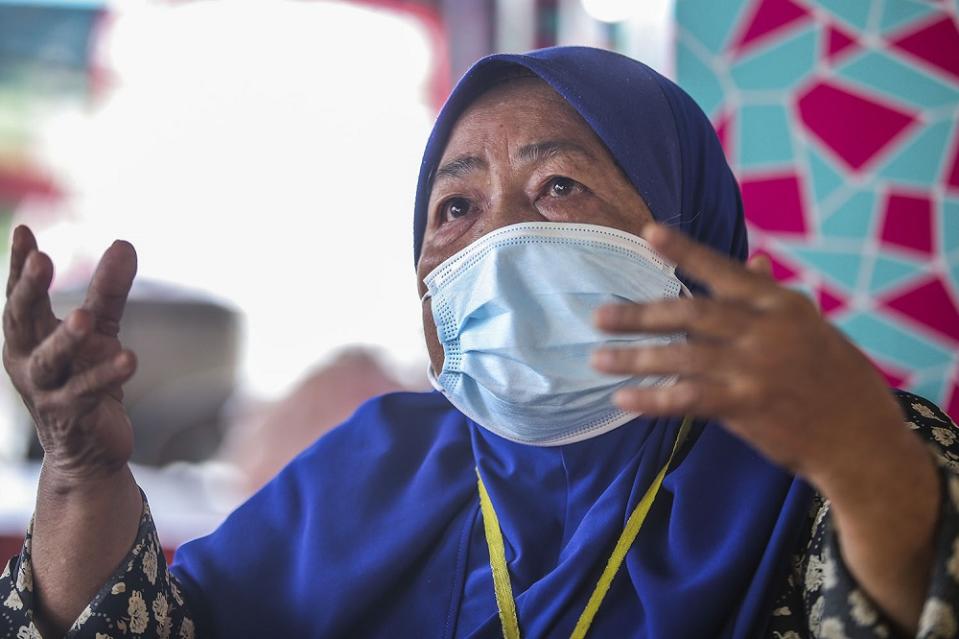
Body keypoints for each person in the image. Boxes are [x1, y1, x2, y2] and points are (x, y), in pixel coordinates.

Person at [2, 46, 958, 639]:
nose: (497, 238)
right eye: (455, 207)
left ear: (691, 240)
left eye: (557, 189)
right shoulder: (365, 472)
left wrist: (860, 455)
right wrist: (81, 472)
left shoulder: (833, 451)